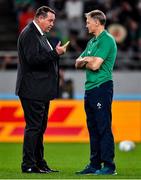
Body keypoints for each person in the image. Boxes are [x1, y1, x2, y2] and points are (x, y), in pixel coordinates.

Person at [15, 6, 69, 173]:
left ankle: (39, 163)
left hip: (39, 90)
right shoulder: (30, 33)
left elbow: (40, 59)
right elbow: (33, 60)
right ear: (39, 18)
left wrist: (54, 55)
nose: (52, 23)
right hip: (32, 90)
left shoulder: (38, 34)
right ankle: (29, 164)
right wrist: (55, 53)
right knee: (34, 127)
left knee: (39, 128)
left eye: (53, 20)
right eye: (50, 20)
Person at [75, 10, 117, 175]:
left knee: (103, 127)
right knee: (92, 128)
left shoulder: (106, 40)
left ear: (97, 22)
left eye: (88, 21)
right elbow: (77, 63)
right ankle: (94, 164)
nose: (86, 25)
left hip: (101, 88)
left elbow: (95, 66)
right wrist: (87, 59)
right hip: (90, 89)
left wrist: (87, 60)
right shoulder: (92, 42)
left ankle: (109, 166)